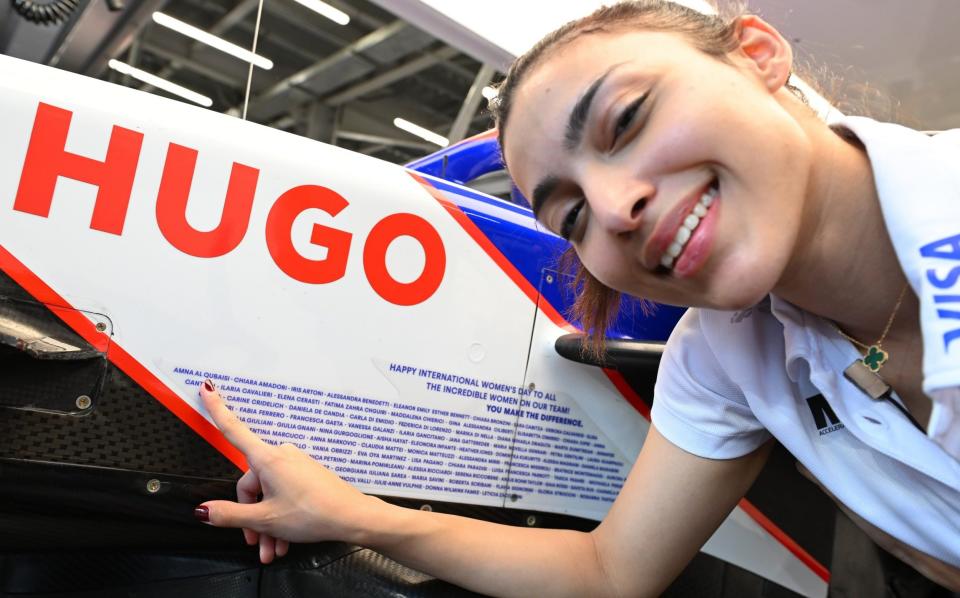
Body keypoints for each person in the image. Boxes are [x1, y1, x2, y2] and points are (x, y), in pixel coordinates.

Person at [195, 1, 960, 594]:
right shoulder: (723, 353)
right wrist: (353, 514)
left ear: (757, 56)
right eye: (571, 216)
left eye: (627, 119)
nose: (616, 208)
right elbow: (609, 572)